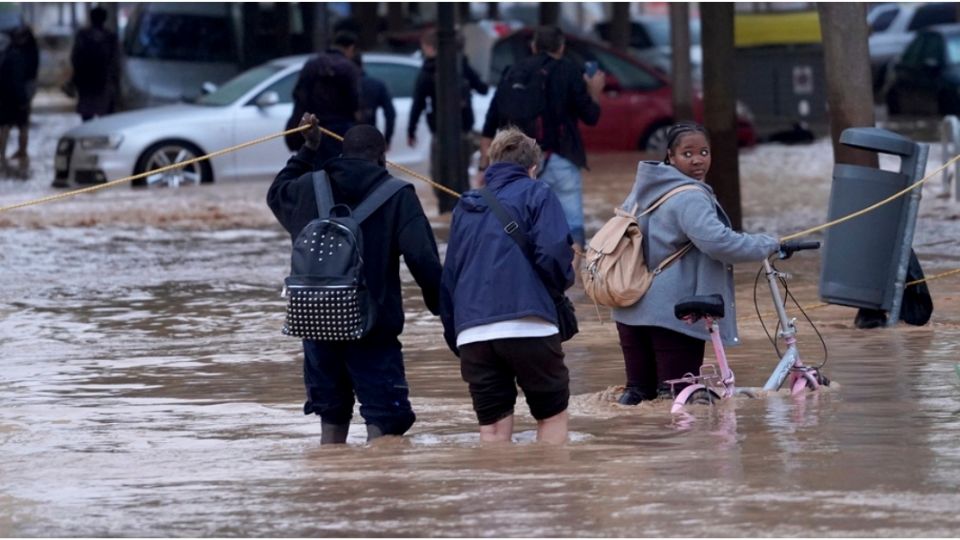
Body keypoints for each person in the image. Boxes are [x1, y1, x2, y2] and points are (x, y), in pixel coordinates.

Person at [267, 114, 443, 444]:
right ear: (382, 157)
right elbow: (423, 260)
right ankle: (376, 491)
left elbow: (276, 193)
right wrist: (443, 309)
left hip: (317, 325)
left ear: (342, 153)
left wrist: (308, 150)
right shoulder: (398, 195)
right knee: (385, 424)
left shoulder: (307, 186)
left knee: (331, 418)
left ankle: (333, 488)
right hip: (373, 329)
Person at [612, 122, 780, 405]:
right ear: (670, 156)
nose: (698, 159)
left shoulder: (641, 191)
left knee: (638, 399)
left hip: (629, 309)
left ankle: (633, 449)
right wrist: (768, 244)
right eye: (687, 153)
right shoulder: (690, 195)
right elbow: (719, 243)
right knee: (679, 400)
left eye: (704, 151)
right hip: (674, 314)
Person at [440, 127, 575, 444]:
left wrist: (456, 334)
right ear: (532, 168)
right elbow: (554, 255)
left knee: (493, 431)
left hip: (473, 333)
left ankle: (498, 489)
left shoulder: (466, 205)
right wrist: (558, 288)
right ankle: (553, 492)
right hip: (530, 327)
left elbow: (450, 277)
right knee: (551, 417)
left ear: (490, 163)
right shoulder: (538, 193)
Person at [480, 25, 604, 253]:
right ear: (561, 47)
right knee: (571, 223)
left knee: (522, 221)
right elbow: (591, 116)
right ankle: (573, 280)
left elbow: (490, 125)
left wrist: (483, 167)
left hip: (516, 163)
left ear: (533, 46)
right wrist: (594, 91)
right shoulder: (568, 71)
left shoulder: (512, 71)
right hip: (560, 157)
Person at [407, 29, 489, 214]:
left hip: (441, 132)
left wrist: (411, 130)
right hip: (463, 130)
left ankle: (447, 209)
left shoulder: (428, 70)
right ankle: (464, 210)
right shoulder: (461, 66)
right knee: (462, 174)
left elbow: (418, 103)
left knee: (439, 175)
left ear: (430, 47)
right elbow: (483, 88)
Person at [284, 31, 361, 167]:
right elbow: (355, 101)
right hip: (339, 129)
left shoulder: (311, 64)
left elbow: (298, 94)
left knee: (314, 170)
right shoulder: (349, 68)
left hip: (312, 127)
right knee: (338, 169)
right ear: (351, 48)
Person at [70, 6, 120, 122]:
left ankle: (87, 137)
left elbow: (74, 57)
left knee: (86, 117)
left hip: (85, 82)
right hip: (104, 82)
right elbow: (115, 62)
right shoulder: (110, 37)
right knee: (106, 117)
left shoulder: (82, 35)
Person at [0, 24, 37, 177]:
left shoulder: (12, 53)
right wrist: (24, 99)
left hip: (9, 97)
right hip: (15, 97)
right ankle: (16, 154)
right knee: (16, 127)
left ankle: (9, 155)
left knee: (7, 127)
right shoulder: (22, 53)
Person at [355, 55, 396, 152]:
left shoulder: (339, 86)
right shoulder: (377, 85)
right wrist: (387, 139)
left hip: (342, 138)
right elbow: (390, 114)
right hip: (369, 136)